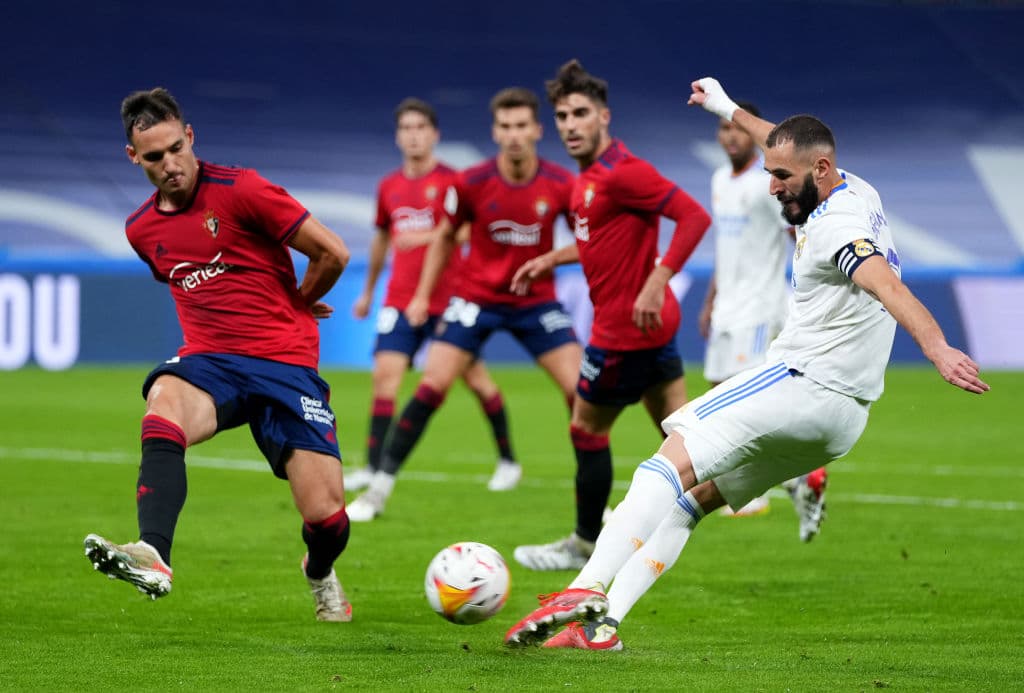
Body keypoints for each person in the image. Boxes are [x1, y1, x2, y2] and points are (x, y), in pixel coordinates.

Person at [503, 76, 989, 651]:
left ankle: (583, 587)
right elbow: (778, 143)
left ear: (822, 170)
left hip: (801, 383)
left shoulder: (838, 227)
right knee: (692, 501)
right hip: (842, 422)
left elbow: (884, 283)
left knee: (667, 456)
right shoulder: (854, 188)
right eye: (770, 173)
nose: (773, 186)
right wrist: (727, 107)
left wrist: (936, 348)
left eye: (782, 178)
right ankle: (600, 628)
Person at [83, 88, 355, 622]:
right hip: (212, 362)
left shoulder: (243, 189)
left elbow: (333, 252)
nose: (169, 165)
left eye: (174, 149)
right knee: (163, 398)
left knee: (326, 518)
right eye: (154, 157)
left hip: (284, 363)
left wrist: (296, 303)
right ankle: (153, 551)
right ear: (133, 158)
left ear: (190, 137)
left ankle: (319, 571)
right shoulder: (141, 230)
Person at [510, 60, 711, 571]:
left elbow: (693, 216)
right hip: (652, 327)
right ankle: (717, 500)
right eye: (562, 116)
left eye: (580, 113)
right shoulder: (587, 180)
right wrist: (552, 258)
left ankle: (583, 542)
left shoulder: (624, 171)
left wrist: (658, 278)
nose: (570, 125)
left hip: (622, 333)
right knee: (682, 440)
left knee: (586, 429)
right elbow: (599, 241)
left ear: (604, 117)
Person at [346, 87, 582, 522]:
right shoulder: (470, 182)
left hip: (536, 300)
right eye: (505, 126)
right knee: (430, 385)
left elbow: (589, 240)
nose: (513, 135)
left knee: (580, 392)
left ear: (536, 130)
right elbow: (444, 240)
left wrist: (553, 260)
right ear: (495, 131)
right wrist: (420, 294)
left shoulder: (562, 183)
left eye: (521, 126)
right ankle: (377, 491)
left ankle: (592, 506)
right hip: (476, 298)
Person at [348, 98, 520, 495]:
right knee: (384, 379)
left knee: (476, 381)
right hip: (399, 299)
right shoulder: (389, 186)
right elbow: (382, 239)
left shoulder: (453, 182)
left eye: (420, 128)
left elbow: (466, 231)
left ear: (434, 135)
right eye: (406, 128)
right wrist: (368, 291)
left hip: (449, 299)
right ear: (398, 136)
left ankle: (508, 461)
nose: (413, 135)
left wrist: (425, 236)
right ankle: (374, 469)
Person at [698, 100, 828, 534]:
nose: (729, 136)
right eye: (722, 129)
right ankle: (798, 479)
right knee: (720, 404)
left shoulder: (768, 184)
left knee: (741, 407)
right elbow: (725, 248)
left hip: (759, 310)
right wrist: (710, 300)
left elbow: (800, 232)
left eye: (735, 129)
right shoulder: (720, 180)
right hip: (727, 311)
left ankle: (751, 493)